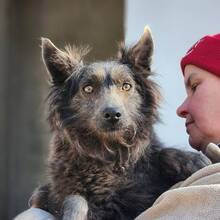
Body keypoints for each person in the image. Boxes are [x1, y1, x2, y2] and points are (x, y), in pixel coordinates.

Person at [14, 33, 220, 220]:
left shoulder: (167, 164)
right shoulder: (63, 181)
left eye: (126, 86)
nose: (111, 106)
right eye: (88, 88)